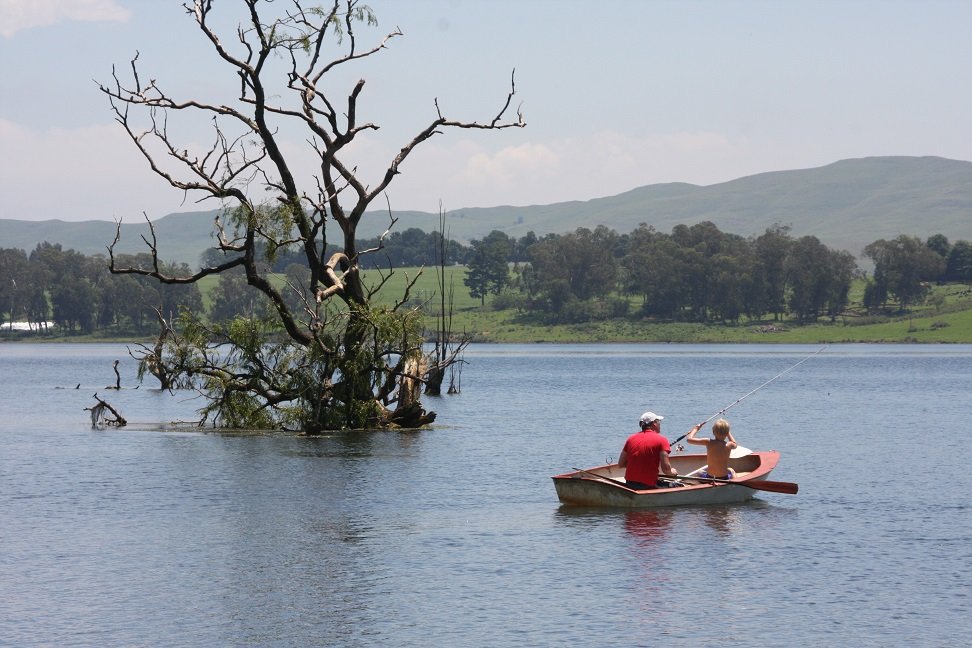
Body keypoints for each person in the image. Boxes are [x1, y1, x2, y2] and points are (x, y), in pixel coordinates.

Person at [618, 411, 678, 490]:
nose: (660, 424)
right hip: (647, 486)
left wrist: (638, 467)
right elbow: (666, 469)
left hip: (629, 484)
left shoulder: (630, 439)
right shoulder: (662, 440)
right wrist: (673, 472)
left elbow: (621, 464)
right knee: (677, 485)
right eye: (659, 422)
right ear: (654, 423)